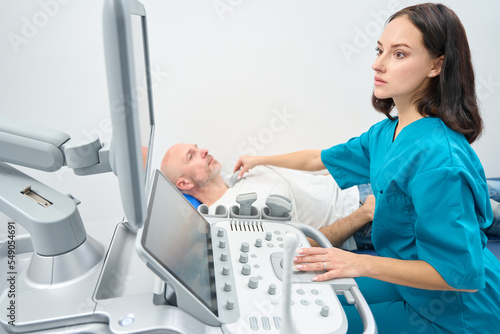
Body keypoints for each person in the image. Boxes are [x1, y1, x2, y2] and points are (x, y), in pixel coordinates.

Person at [233, 4, 500, 333]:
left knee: (307, 324)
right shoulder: (386, 134)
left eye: (399, 54)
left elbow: (460, 274)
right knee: (298, 292)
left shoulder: (440, 160)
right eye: (379, 50)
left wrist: (357, 262)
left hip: (456, 311)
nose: (378, 64)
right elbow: (318, 158)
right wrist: (261, 160)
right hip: (406, 278)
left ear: (436, 65)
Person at [160, 143, 375, 249]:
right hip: (362, 215)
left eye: (197, 148)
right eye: (192, 156)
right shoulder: (230, 220)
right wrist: (363, 214)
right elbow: (303, 247)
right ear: (185, 183)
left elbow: (312, 166)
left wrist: (261, 159)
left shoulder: (239, 175)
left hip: (359, 183)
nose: (204, 151)